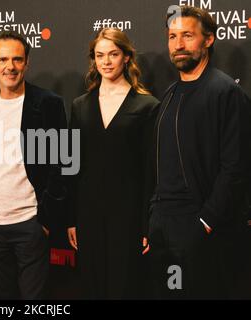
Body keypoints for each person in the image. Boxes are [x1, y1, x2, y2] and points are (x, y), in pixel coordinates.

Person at [146, 6, 251, 299]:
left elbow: (235, 168)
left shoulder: (226, 93)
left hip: (200, 228)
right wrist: (154, 217)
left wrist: (205, 222)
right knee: (169, 293)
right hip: (163, 228)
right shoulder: (168, 95)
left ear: (208, 40)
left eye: (187, 36)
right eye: (172, 36)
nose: (178, 45)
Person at [0, 31, 67, 299]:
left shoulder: (49, 103)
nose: (9, 66)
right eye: (3, 59)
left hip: (31, 223)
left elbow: (62, 163)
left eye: (17, 59)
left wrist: (46, 221)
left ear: (27, 63)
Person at [67, 28, 159, 299]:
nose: (106, 61)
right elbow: (71, 165)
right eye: (100, 55)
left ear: (127, 58)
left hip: (128, 216)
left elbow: (149, 172)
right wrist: (71, 218)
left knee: (125, 286)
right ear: (93, 60)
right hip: (88, 214)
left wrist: (146, 224)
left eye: (113, 54)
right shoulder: (80, 106)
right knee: (92, 286)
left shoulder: (147, 106)